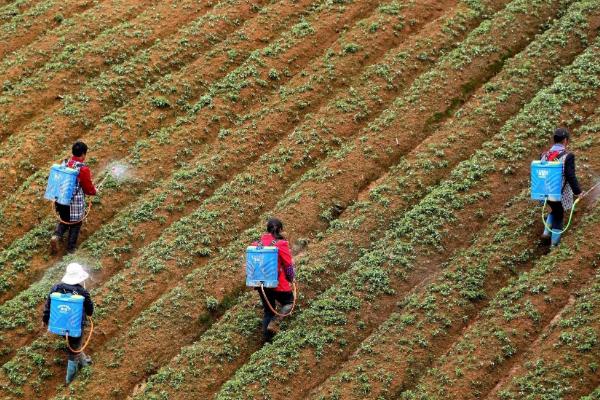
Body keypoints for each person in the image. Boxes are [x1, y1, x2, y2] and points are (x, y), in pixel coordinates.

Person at [42, 263, 94, 384]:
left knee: (73, 345)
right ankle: (70, 380)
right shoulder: (82, 292)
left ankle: (85, 361)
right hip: (75, 326)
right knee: (73, 349)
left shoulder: (56, 288)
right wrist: (89, 313)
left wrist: (45, 320)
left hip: (59, 325)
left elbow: (48, 306)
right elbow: (90, 309)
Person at [50, 141, 97, 254]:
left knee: (65, 219)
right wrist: (94, 191)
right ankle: (70, 249)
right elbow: (88, 188)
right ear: (83, 154)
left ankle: (57, 235)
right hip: (74, 203)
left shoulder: (64, 163)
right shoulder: (83, 169)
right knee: (76, 223)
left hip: (60, 200)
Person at [254, 218, 296, 342]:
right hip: (277, 284)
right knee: (289, 302)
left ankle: (267, 340)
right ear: (280, 230)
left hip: (260, 283)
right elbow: (288, 264)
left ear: (267, 229)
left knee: (268, 311)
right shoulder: (281, 244)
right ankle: (275, 323)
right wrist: (291, 278)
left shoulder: (256, 244)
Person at [540, 128, 582, 247]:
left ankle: (546, 232)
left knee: (554, 209)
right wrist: (578, 192)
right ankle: (554, 245)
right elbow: (570, 175)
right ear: (565, 140)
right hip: (559, 193)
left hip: (545, 191)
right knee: (559, 215)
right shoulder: (568, 156)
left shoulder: (544, 155)